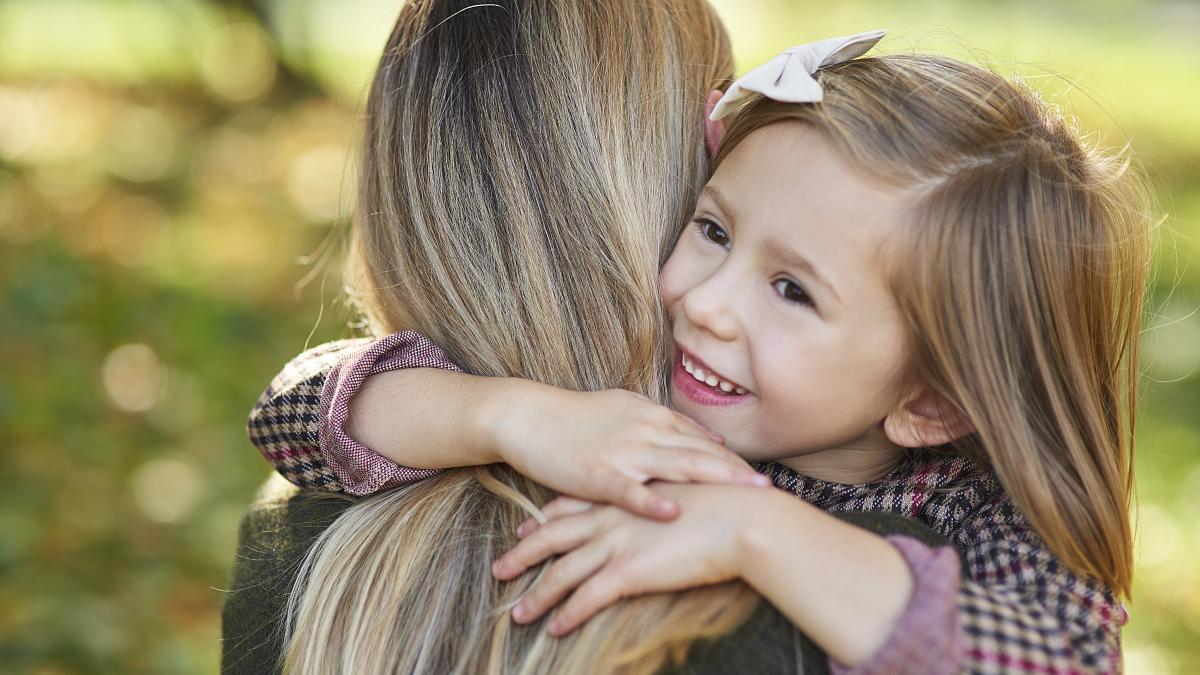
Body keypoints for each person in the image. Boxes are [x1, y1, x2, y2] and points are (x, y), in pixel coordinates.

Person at [248, 30, 1151, 674]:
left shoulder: (974, 515)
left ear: (932, 402)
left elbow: (1069, 660)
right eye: (713, 228)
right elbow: (289, 417)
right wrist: (513, 415)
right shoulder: (621, 407)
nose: (705, 301)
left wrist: (758, 531)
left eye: (792, 290)